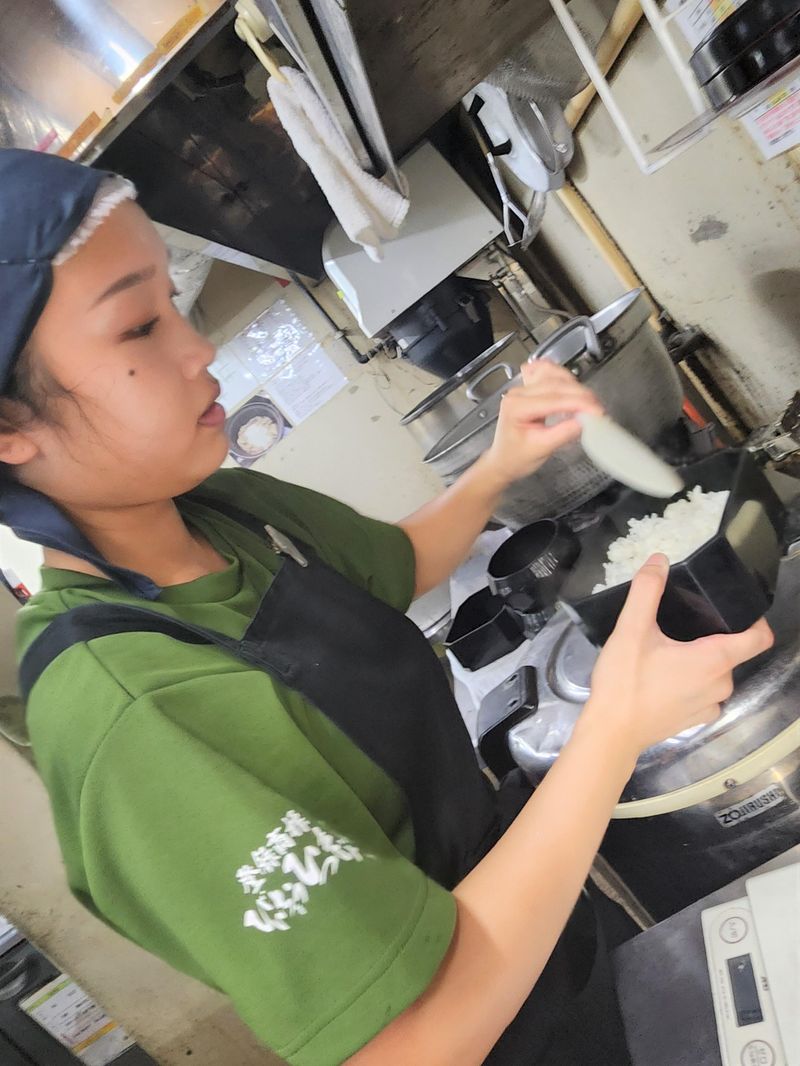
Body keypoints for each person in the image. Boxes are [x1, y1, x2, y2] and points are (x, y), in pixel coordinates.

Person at [0, 148, 772, 1066]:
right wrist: (613, 732)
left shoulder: (222, 512)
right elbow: (406, 1046)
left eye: (173, 302)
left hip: (565, 954)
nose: (197, 348)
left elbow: (393, 566)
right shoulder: (125, 713)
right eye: (136, 327)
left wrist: (499, 463)